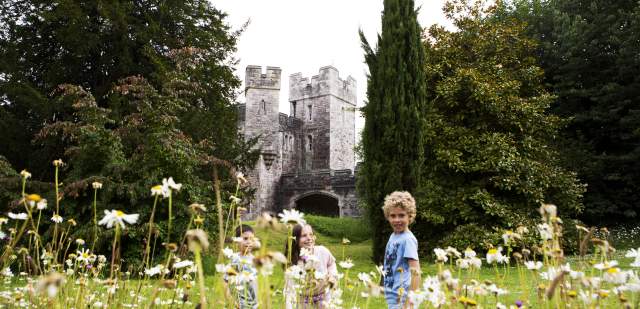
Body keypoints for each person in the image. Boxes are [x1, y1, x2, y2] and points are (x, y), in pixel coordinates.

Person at [382, 191, 421, 309]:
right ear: (387, 216)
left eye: (401, 215)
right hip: (392, 294)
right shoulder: (393, 236)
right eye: (393, 216)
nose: (397, 220)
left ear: (410, 216)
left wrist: (410, 301)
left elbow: (416, 273)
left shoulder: (408, 240)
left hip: (403, 297)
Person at [284, 223, 337, 308]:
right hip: (303, 301)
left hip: (324, 298)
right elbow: (290, 290)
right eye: (304, 235)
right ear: (295, 239)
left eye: (311, 234)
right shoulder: (293, 263)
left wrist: (332, 275)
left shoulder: (322, 251)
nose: (309, 238)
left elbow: (331, 263)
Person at [224, 224, 259, 309]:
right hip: (240, 304)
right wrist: (231, 301)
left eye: (252, 239)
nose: (249, 242)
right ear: (237, 241)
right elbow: (224, 282)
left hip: (253, 304)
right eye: (245, 238)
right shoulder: (235, 259)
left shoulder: (255, 260)